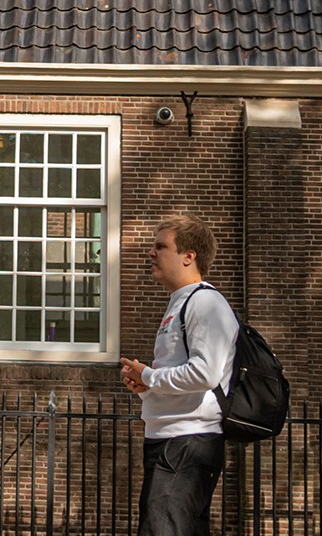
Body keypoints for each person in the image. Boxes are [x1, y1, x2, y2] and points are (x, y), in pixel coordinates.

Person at [119, 214, 240, 536]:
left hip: (187, 440)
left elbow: (206, 373)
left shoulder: (205, 303)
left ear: (189, 256)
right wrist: (144, 385)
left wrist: (151, 378)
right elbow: (183, 372)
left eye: (161, 247)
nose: (151, 253)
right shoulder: (181, 304)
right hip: (170, 439)